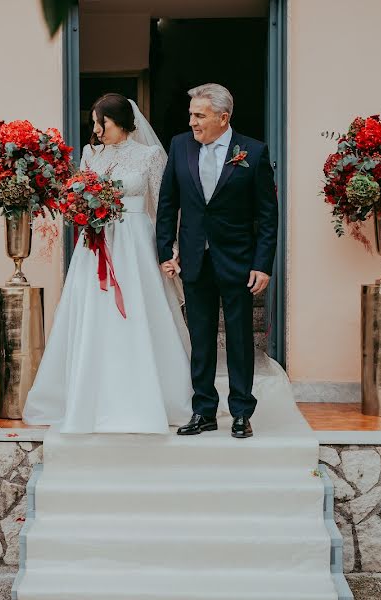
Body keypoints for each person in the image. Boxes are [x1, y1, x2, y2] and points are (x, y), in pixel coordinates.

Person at [22, 93, 196, 434]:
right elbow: (75, 196)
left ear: (123, 123)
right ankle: (91, 398)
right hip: (96, 245)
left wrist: (170, 249)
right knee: (94, 315)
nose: (98, 130)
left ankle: (152, 398)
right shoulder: (91, 155)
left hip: (136, 244)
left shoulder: (149, 156)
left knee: (139, 312)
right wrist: (81, 211)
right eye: (96, 123)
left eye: (104, 123)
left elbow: (163, 206)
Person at [156, 83, 279, 439]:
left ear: (223, 118)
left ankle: (241, 411)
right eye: (191, 114)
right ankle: (203, 410)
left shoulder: (252, 153)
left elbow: (267, 217)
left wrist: (263, 263)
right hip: (194, 259)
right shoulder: (180, 147)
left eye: (200, 115)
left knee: (240, 339)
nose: (192, 122)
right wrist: (167, 250)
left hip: (239, 261)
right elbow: (168, 204)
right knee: (202, 339)